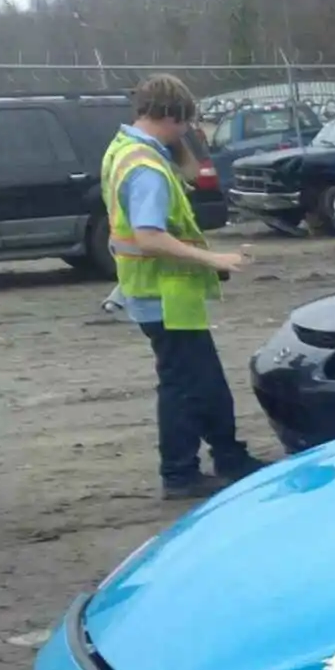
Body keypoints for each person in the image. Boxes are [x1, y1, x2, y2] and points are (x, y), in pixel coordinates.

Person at [101, 73, 265, 499]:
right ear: (173, 115)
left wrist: (181, 139)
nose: (191, 130)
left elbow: (191, 174)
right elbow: (150, 235)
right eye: (187, 122)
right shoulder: (146, 168)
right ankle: (182, 472)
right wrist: (216, 259)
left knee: (199, 382)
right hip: (165, 294)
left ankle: (226, 456)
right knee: (187, 385)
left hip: (159, 292)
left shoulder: (127, 149)